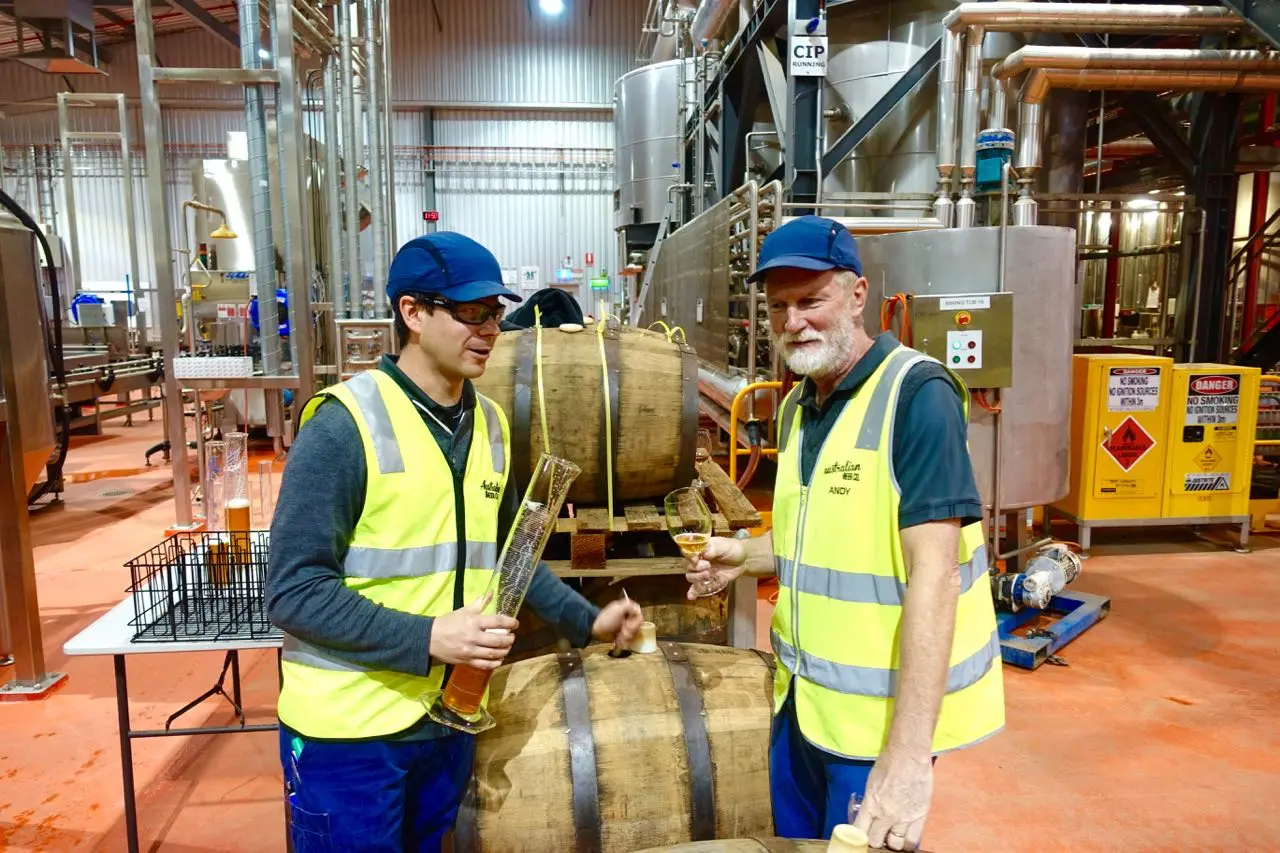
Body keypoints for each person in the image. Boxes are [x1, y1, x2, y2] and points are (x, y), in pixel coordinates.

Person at [266, 231, 644, 852]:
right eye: (469, 312)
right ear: (412, 313)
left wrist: (587, 620)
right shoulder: (344, 425)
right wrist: (430, 638)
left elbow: (509, 553)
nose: (490, 329)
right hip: (350, 733)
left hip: (448, 719)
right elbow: (292, 591)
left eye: (494, 312)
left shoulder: (489, 423)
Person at [685, 216, 1005, 851]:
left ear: (858, 295)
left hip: (873, 729)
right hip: (800, 708)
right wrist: (744, 558)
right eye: (778, 306)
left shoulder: (917, 395)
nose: (793, 321)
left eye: (811, 301)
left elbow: (934, 578)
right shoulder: (801, 404)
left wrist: (909, 758)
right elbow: (821, 539)